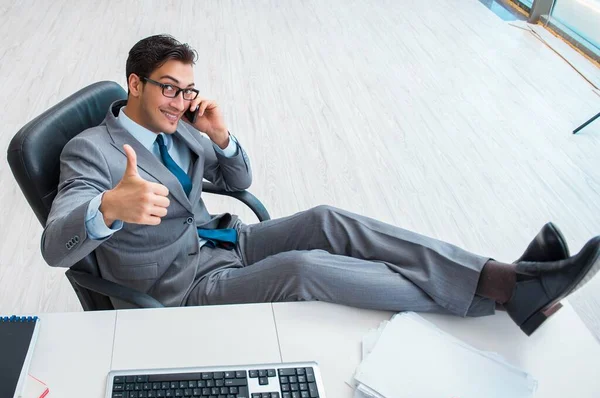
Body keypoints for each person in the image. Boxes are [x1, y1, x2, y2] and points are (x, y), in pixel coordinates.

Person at [41, 35, 600, 336]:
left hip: (225, 241)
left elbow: (238, 182)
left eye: (188, 89)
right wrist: (109, 208)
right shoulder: (90, 150)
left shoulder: (182, 126)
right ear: (135, 83)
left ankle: (500, 278)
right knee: (305, 269)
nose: (181, 101)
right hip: (181, 286)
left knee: (328, 219)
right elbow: (54, 246)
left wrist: (223, 137)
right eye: (168, 87)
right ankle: (499, 300)